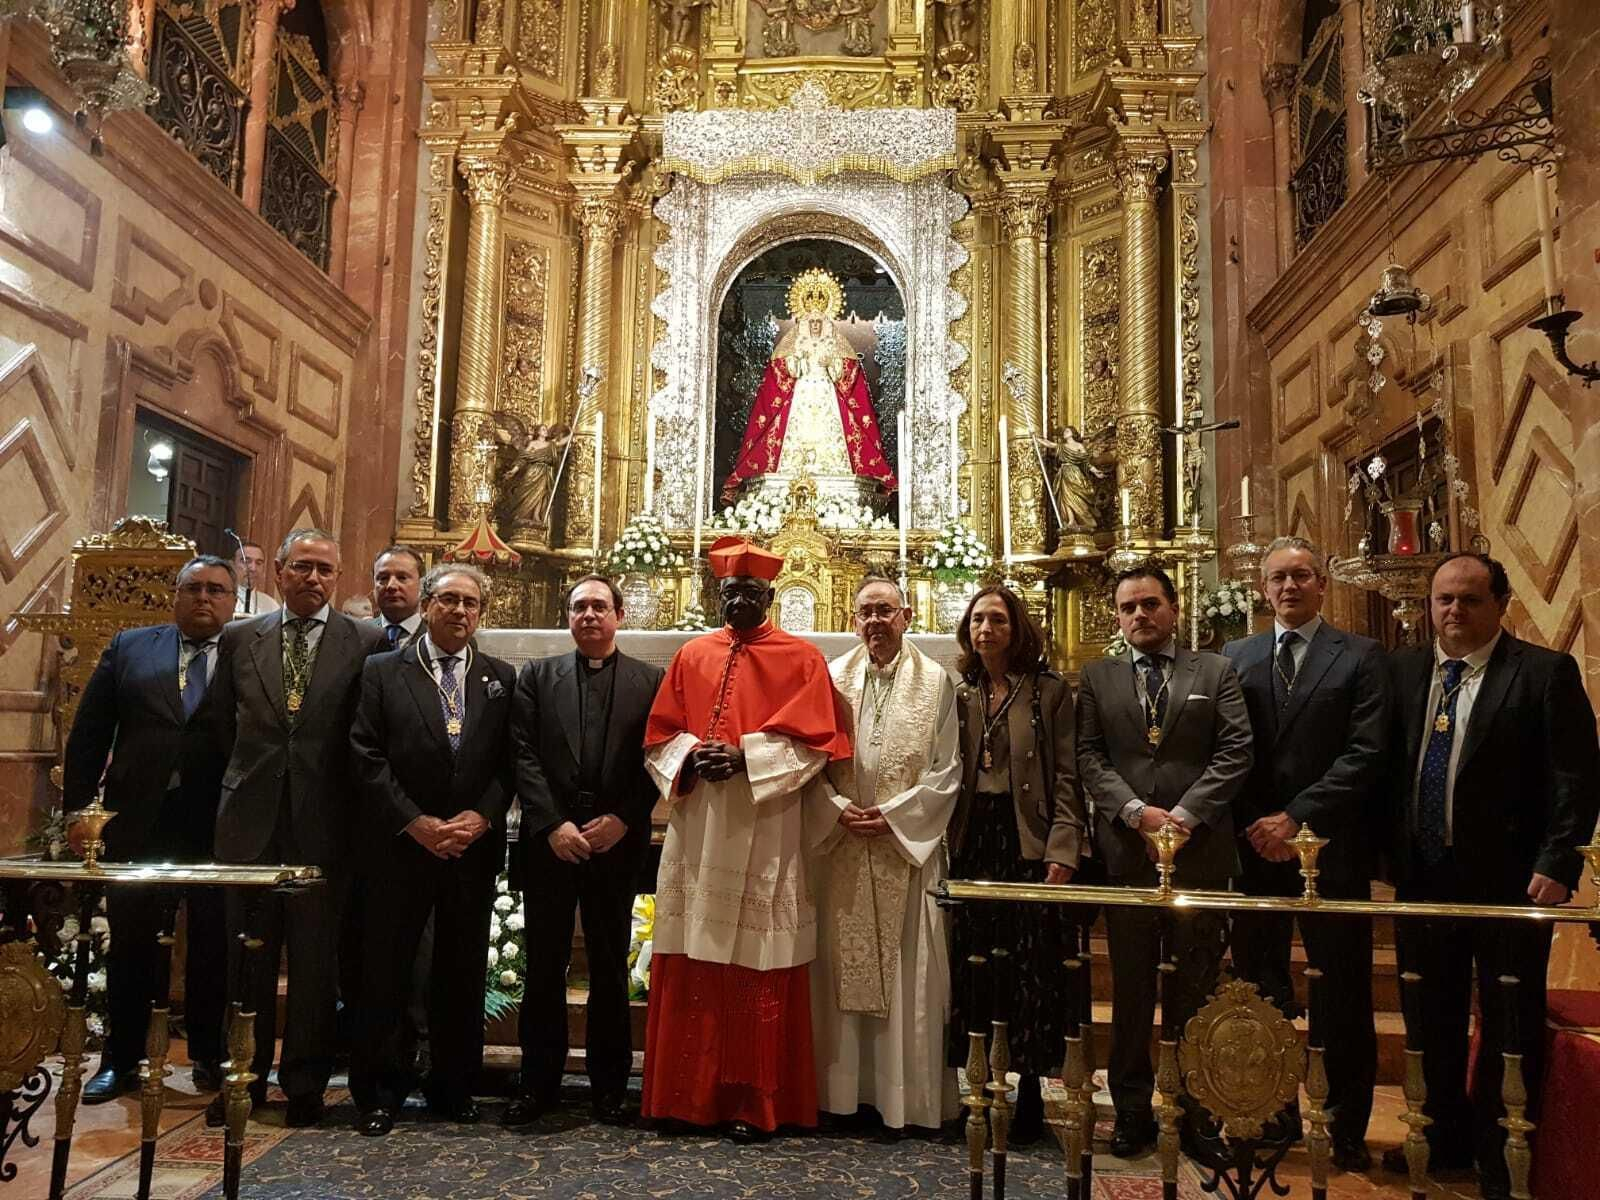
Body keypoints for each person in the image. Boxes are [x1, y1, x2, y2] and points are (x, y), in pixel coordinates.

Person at [1380, 552, 1599, 1200]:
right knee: (1430, 1015)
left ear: (1500, 604)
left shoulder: (1542, 673)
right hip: (1423, 876)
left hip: (1510, 881)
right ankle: (1444, 1138)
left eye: (1469, 599)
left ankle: (1504, 1154)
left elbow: (1577, 777)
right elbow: (1386, 768)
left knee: (1509, 1018)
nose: (1453, 611)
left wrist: (1557, 863)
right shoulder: (1405, 672)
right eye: (1443, 599)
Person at [641, 536, 852, 1141]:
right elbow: (659, 735)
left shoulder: (802, 659)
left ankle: (749, 1103)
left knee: (757, 960)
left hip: (765, 823)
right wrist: (689, 755)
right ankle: (684, 1097)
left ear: (771, 596)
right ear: (719, 593)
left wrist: (744, 756)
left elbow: (817, 744)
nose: (738, 601)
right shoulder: (692, 654)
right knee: (692, 951)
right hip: (699, 823)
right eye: (729, 592)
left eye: (750, 593)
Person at [205, 528, 385, 1128]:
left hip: (325, 824)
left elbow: (367, 735)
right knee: (246, 959)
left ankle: (304, 1083)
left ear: (339, 577)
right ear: (278, 570)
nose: (314, 579)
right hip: (249, 821)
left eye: (326, 570)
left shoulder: (365, 640)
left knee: (314, 963)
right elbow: (218, 728)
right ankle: (243, 1080)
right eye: (303, 567)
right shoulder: (237, 637)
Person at [1222, 536, 1388, 1170]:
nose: (1288, 588)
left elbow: (1366, 752)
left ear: (1323, 583)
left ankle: (1345, 1127)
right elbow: (1229, 748)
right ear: (1262, 590)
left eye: (1301, 576)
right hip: (1255, 851)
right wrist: (1259, 827)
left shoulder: (1361, 656)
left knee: (1341, 989)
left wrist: (1296, 817)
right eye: (1277, 579)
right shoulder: (1235, 656)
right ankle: (1271, 1113)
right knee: (1261, 990)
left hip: (1331, 849)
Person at [1076, 565, 1252, 1158]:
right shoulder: (1097, 678)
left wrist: (1183, 817)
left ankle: (1198, 1113)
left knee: (1199, 988)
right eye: (1128, 608)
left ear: (1174, 609)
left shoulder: (1216, 670)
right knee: (1129, 989)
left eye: (1150, 604)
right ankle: (1131, 1110)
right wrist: (1135, 814)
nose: (1139, 616)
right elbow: (1089, 757)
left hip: (1200, 850)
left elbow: (1235, 751)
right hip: (1128, 852)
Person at [348, 564, 514, 1136]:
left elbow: (508, 763)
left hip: (468, 846)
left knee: (462, 969)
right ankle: (380, 1089)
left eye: (471, 604)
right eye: (448, 600)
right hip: (401, 845)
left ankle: (453, 1084)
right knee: (387, 969)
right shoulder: (382, 671)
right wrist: (413, 821)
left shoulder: (499, 676)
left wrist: (482, 815)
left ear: (482, 614)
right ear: (426, 605)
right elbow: (365, 754)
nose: (459, 612)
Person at [63, 555, 236, 1102]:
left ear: (233, 602)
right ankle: (122, 1059)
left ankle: (211, 1055)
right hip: (139, 818)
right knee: (132, 941)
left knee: (214, 942)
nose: (204, 598)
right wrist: (77, 811)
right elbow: (90, 731)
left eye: (216, 590)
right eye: (194, 588)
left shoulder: (248, 652)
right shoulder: (130, 646)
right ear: (175, 595)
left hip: (217, 822)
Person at [506, 575, 663, 1128]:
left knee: (607, 965)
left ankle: (610, 1087)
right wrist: (550, 824)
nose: (589, 615)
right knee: (544, 966)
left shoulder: (651, 680)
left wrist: (624, 818)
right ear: (567, 616)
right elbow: (521, 753)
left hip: (615, 842)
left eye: (600, 606)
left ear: (620, 615)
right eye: (579, 607)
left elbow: (657, 757)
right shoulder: (536, 675)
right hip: (550, 843)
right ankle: (538, 1084)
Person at [810, 576, 960, 1134]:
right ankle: (841, 1094)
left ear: (907, 615)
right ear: (853, 620)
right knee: (838, 965)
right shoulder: (832, 679)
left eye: (885, 611)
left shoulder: (936, 681)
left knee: (908, 971)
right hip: (844, 839)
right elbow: (811, 761)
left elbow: (948, 771)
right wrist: (836, 807)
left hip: (904, 850)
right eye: (865, 611)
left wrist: (895, 817)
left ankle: (905, 1099)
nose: (875, 621)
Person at [946, 585, 1085, 1144]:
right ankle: (976, 1083)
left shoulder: (1048, 692)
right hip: (973, 837)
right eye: (978, 620)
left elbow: (1069, 774)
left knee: (1032, 969)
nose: (986, 630)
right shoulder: (959, 691)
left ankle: (1028, 1091)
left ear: (1016, 628)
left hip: (1029, 841)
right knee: (974, 963)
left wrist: (1063, 845)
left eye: (997, 620)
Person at [370, 546, 425, 650]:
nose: (391, 586)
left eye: (402, 578)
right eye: (383, 578)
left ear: (421, 584)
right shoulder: (356, 635)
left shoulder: (437, 637)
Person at [232, 540, 279, 618]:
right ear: (233, 565)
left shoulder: (272, 606)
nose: (253, 568)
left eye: (258, 563)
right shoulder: (222, 600)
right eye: (246, 561)